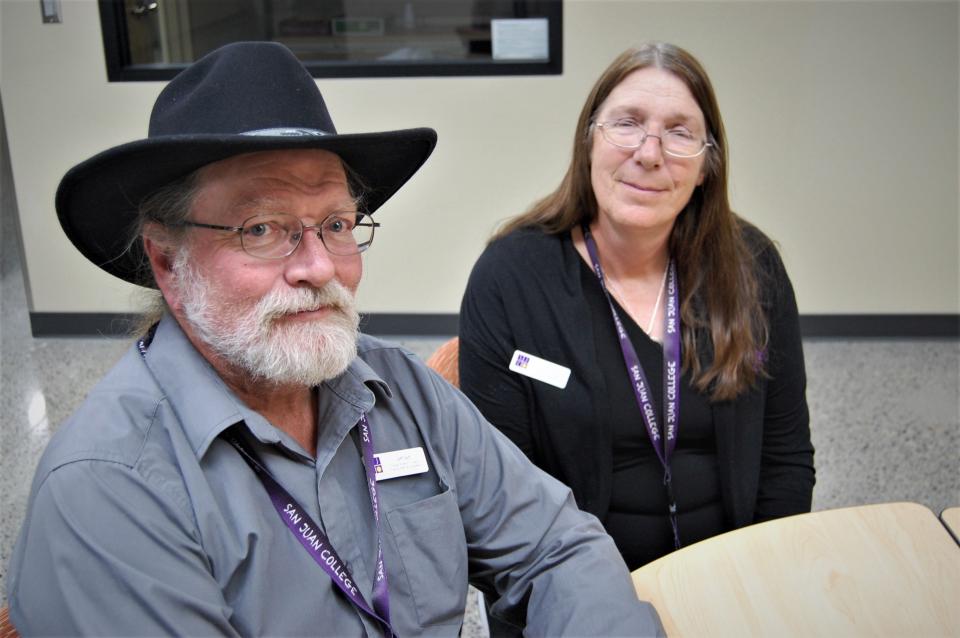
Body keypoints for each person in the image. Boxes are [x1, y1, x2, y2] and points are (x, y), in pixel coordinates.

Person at [7, 42, 664, 637]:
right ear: (167, 261)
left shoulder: (399, 390)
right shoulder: (109, 494)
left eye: (337, 223)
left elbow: (555, 546)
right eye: (260, 229)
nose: (318, 267)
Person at [458, 42, 815, 570]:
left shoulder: (752, 268)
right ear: (589, 143)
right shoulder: (510, 279)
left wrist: (759, 581)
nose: (649, 153)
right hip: (573, 589)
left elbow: (786, 460)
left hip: (732, 576)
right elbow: (497, 498)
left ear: (706, 167)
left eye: (678, 132)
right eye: (627, 123)